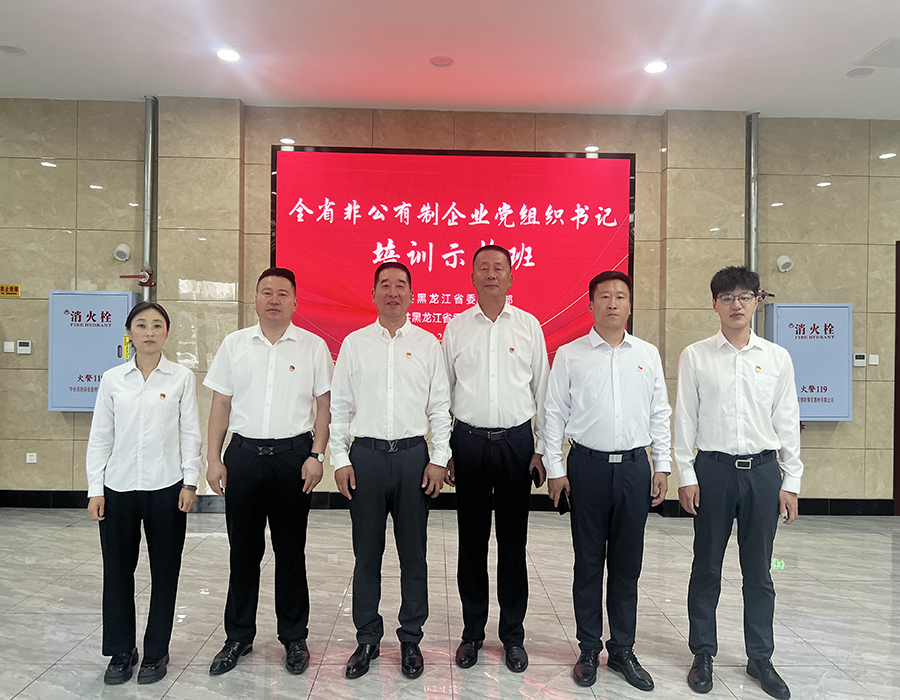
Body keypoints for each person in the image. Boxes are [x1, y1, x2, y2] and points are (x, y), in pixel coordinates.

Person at [675, 266, 802, 700]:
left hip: (764, 473)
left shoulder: (777, 358)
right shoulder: (695, 356)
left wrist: (791, 480)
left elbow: (787, 421)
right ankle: (703, 652)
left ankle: (760, 657)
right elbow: (685, 418)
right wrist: (686, 474)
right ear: (714, 304)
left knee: (759, 572)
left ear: (756, 301)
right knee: (706, 566)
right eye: (727, 297)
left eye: (745, 296)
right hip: (713, 471)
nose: (736, 304)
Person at [544, 271, 671, 691]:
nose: (613, 303)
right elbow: (553, 414)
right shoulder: (570, 355)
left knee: (626, 565)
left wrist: (662, 465)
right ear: (591, 304)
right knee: (587, 563)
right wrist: (556, 469)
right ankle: (587, 648)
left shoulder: (647, 354)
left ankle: (622, 650)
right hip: (587, 467)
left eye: (620, 296)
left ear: (630, 305)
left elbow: (660, 413)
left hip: (635, 468)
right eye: (605, 296)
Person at [204, 267, 333, 677]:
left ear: (295, 301)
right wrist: (213, 458)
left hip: (294, 457)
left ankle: (294, 637)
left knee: (291, 551)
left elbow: (325, 406)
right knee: (243, 552)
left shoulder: (313, 346)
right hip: (243, 455)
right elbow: (220, 404)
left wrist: (317, 455)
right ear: (256, 299)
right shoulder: (234, 344)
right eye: (266, 292)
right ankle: (238, 636)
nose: (274, 299)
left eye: (282, 293)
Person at [330, 261, 452, 680]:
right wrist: (340, 459)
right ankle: (367, 638)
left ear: (412, 295)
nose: (393, 292)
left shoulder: (428, 344)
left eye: (401, 285)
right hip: (365, 457)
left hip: (413, 458)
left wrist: (438, 458)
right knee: (367, 554)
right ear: (373, 294)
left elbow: (440, 408)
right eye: (385, 285)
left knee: (413, 554)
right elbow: (339, 407)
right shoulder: (355, 344)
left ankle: (411, 639)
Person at [442, 244, 549, 674]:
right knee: (471, 543)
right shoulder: (455, 328)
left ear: (510, 277)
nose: (490, 274)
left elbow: (543, 392)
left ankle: (512, 636)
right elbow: (444, 394)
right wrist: (446, 450)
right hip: (467, 442)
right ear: (471, 278)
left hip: (516, 444)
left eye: (498, 268)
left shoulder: (528, 327)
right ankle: (472, 633)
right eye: (483, 268)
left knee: (512, 543)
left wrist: (541, 448)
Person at [86, 301, 202, 685]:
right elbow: (100, 436)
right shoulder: (112, 379)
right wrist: (95, 489)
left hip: (166, 487)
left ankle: (156, 651)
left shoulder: (181, 377)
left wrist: (190, 481)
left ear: (166, 332)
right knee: (117, 571)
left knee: (165, 572)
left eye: (156, 325)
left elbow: (190, 433)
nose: (149, 332)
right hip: (118, 488)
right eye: (141, 325)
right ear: (129, 333)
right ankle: (121, 651)